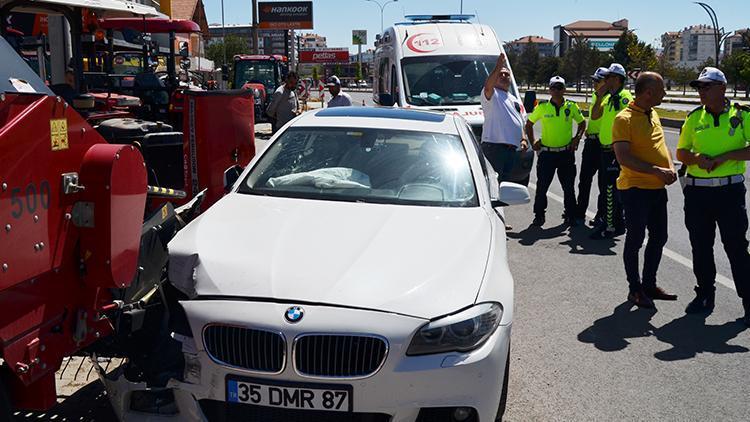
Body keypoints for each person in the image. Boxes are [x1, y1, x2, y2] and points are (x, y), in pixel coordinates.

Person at [676, 66, 750, 325]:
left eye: (706, 87)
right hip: (697, 193)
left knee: (736, 247)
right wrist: (696, 158)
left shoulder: (741, 115)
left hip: (729, 192)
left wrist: (725, 156)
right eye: (699, 88)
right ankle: (705, 294)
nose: (701, 92)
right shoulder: (694, 117)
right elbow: (681, 153)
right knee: (701, 246)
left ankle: (748, 300)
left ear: (722, 88)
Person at [612, 72, 678, 308]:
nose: (665, 93)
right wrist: (657, 171)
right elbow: (624, 157)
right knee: (636, 239)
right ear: (649, 92)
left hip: (657, 189)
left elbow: (661, 146)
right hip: (635, 189)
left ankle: (649, 285)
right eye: (661, 90)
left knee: (659, 237)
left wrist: (669, 167)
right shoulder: (624, 119)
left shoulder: (654, 113)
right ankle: (635, 289)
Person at [525, 76, 586, 227]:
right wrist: (533, 142)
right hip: (547, 154)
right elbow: (529, 124)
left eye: (560, 88)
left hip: (566, 153)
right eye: (554, 88)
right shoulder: (542, 107)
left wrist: (577, 138)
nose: (557, 91)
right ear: (549, 90)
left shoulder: (571, 107)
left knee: (568, 187)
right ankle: (539, 215)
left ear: (564, 89)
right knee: (542, 187)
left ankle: (570, 215)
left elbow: (582, 123)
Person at [590, 63, 633, 239]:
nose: (604, 81)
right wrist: (600, 95)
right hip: (605, 149)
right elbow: (595, 115)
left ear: (616, 79)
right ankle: (615, 222)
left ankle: (610, 226)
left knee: (610, 189)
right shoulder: (608, 98)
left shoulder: (624, 97)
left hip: (616, 150)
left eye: (608, 78)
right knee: (606, 187)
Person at [480, 52, 528, 183]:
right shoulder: (492, 95)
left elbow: (521, 120)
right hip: (494, 149)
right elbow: (488, 86)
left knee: (505, 186)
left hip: (511, 150)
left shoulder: (514, 99)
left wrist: (523, 139)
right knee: (492, 185)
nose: (503, 76)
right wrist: (498, 66)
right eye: (500, 74)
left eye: (507, 74)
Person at [576, 67, 609, 226]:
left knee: (603, 183)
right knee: (584, 180)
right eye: (594, 80)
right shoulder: (596, 96)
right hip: (591, 143)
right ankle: (579, 212)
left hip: (603, 145)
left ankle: (601, 215)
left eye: (598, 80)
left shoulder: (610, 98)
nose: (594, 83)